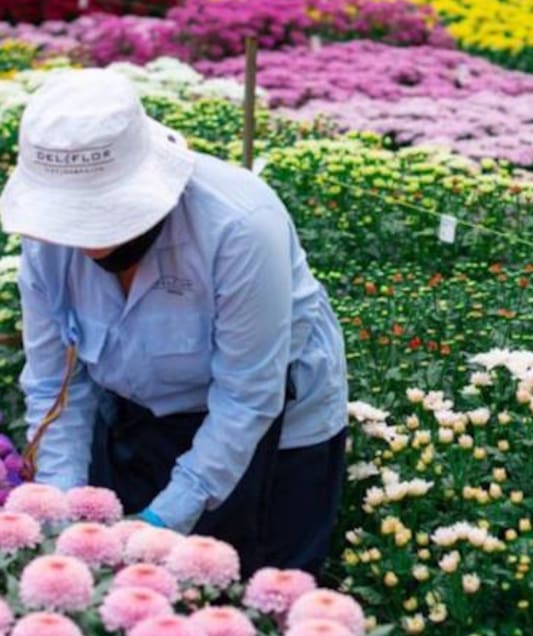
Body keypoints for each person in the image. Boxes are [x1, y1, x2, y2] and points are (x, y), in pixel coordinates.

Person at [0, 69, 348, 576]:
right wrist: (65, 516)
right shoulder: (47, 243)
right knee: (137, 584)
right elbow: (57, 385)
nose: (86, 238)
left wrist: (166, 517)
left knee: (257, 585)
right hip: (144, 405)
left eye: (100, 214)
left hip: (274, 416)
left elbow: (248, 396)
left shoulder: (239, 226)